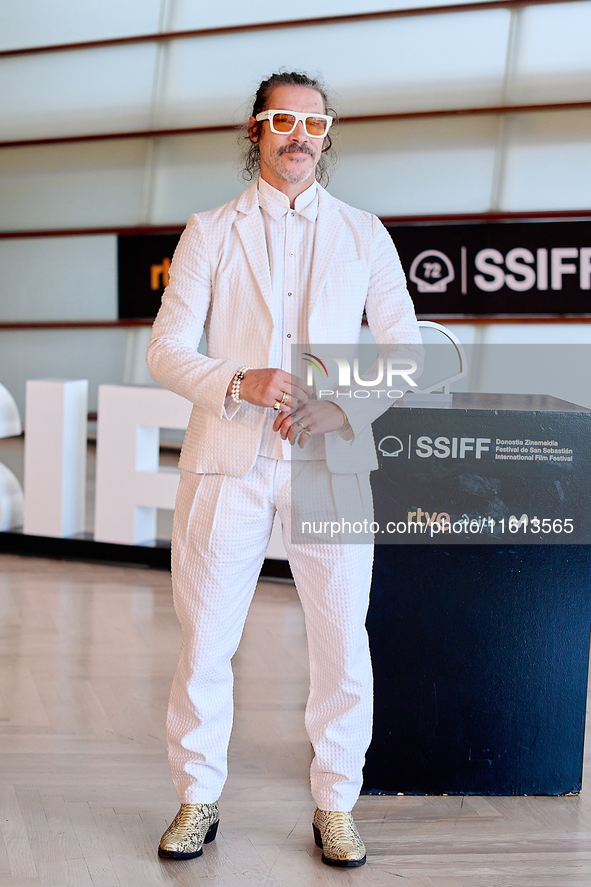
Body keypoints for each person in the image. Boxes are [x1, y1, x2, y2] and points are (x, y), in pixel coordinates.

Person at [146, 70, 421, 868]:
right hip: (227, 461)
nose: (297, 134)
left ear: (326, 134)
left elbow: (406, 352)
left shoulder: (364, 232)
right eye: (280, 120)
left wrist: (344, 405)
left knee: (341, 642)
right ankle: (196, 798)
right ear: (255, 131)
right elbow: (166, 349)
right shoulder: (208, 230)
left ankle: (335, 804)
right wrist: (236, 381)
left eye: (312, 121)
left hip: (328, 461)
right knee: (204, 640)